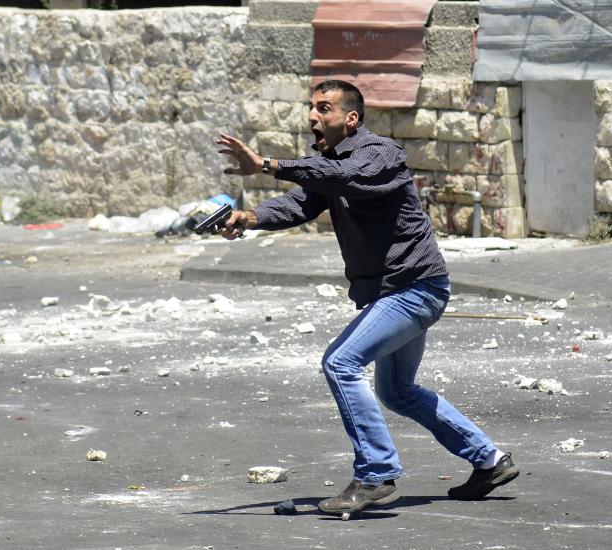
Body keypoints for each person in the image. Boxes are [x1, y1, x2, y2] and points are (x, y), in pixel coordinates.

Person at [215, 79, 519, 516]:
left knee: (340, 362)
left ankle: (375, 473)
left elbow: (348, 178)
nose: (313, 117)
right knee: (396, 390)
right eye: (312, 108)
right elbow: (301, 203)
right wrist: (251, 216)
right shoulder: (329, 165)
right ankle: (489, 460)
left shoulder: (380, 154)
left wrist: (267, 163)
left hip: (414, 287)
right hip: (393, 292)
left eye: (324, 109)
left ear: (351, 119)